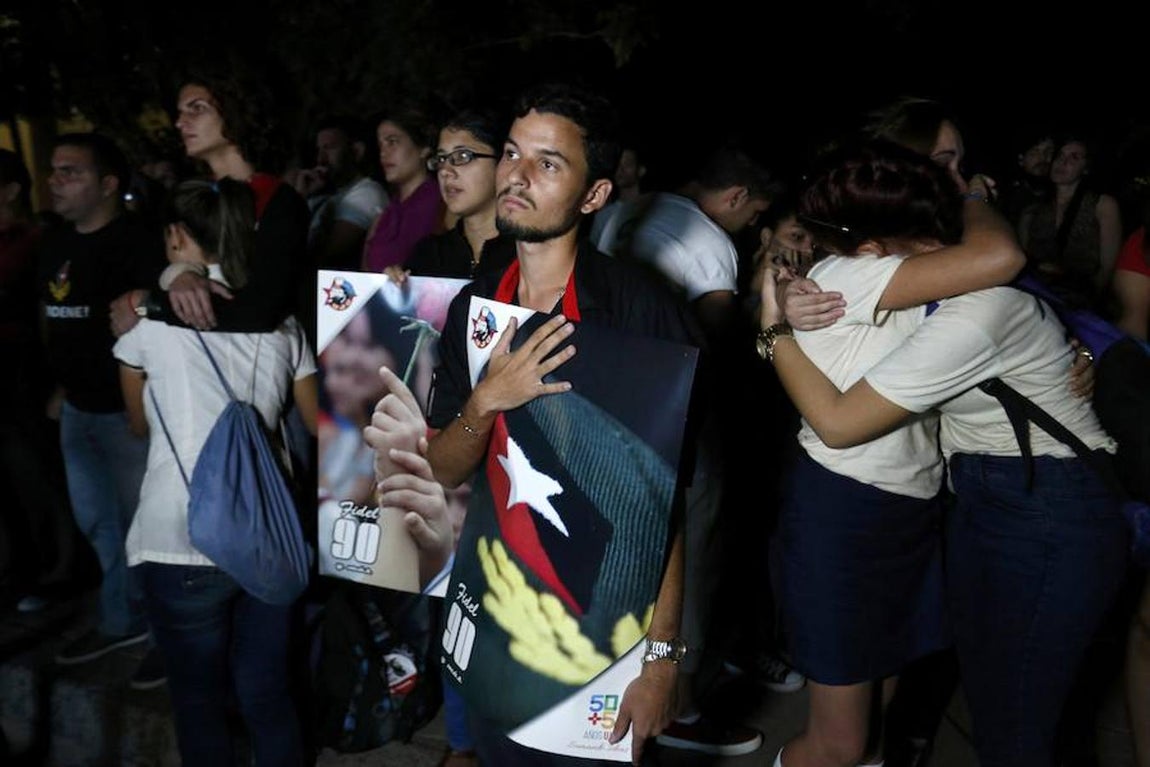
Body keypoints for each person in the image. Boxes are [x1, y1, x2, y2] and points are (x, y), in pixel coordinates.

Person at [762, 138, 1128, 767]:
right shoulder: (863, 271)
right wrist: (773, 328)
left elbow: (1003, 276)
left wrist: (1070, 351)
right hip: (847, 513)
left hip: (937, 505)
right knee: (847, 741)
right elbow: (839, 422)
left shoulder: (964, 294)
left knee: (909, 713)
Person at [417, 81, 699, 767]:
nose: (516, 174)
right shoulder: (476, 304)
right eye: (513, 153)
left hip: (601, 631)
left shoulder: (641, 313)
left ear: (595, 194)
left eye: (548, 163)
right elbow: (442, 466)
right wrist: (486, 402)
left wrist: (661, 659)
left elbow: (670, 503)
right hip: (495, 614)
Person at [113, 177, 317, 767]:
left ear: (177, 237)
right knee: (268, 693)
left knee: (198, 703)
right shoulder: (281, 324)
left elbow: (137, 423)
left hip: (179, 538)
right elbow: (315, 421)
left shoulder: (148, 326)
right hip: (268, 535)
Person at [621, 141, 781, 756]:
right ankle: (678, 705)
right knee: (692, 557)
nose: (747, 228)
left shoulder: (627, 213)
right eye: (751, 214)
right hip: (680, 424)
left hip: (609, 417)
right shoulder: (711, 243)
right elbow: (716, 348)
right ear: (737, 198)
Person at [38, 133, 167, 688]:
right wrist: (62, 386)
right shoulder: (58, 242)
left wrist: (138, 408)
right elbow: (56, 316)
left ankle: (165, 637)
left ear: (109, 184)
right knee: (99, 524)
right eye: (54, 170)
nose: (55, 181)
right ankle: (122, 620)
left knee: (150, 529)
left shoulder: (137, 244)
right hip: (79, 410)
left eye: (71, 172)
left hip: (126, 414)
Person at [0, 147, 84, 612]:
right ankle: (16, 568)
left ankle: (60, 569)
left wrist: (59, 380)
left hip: (22, 372)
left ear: (12, 190)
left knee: (35, 473)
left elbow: (48, 311)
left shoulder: (34, 240)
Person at [1018, 132, 1123, 314]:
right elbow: (1021, 259)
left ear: (1086, 168)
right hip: (1038, 302)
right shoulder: (1031, 211)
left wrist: (1090, 304)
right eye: (1059, 155)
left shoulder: (1103, 205)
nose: (1063, 162)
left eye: (1074, 157)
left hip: (1083, 305)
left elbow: (1108, 268)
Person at [294, 114, 388, 271]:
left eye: (329, 148)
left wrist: (297, 202)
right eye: (319, 150)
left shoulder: (368, 193)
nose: (320, 159)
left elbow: (325, 253)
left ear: (357, 151)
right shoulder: (323, 194)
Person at [361, 104, 445, 272]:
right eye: (381, 145)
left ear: (423, 148)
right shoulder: (385, 216)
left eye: (392, 142)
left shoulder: (443, 203)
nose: (383, 153)